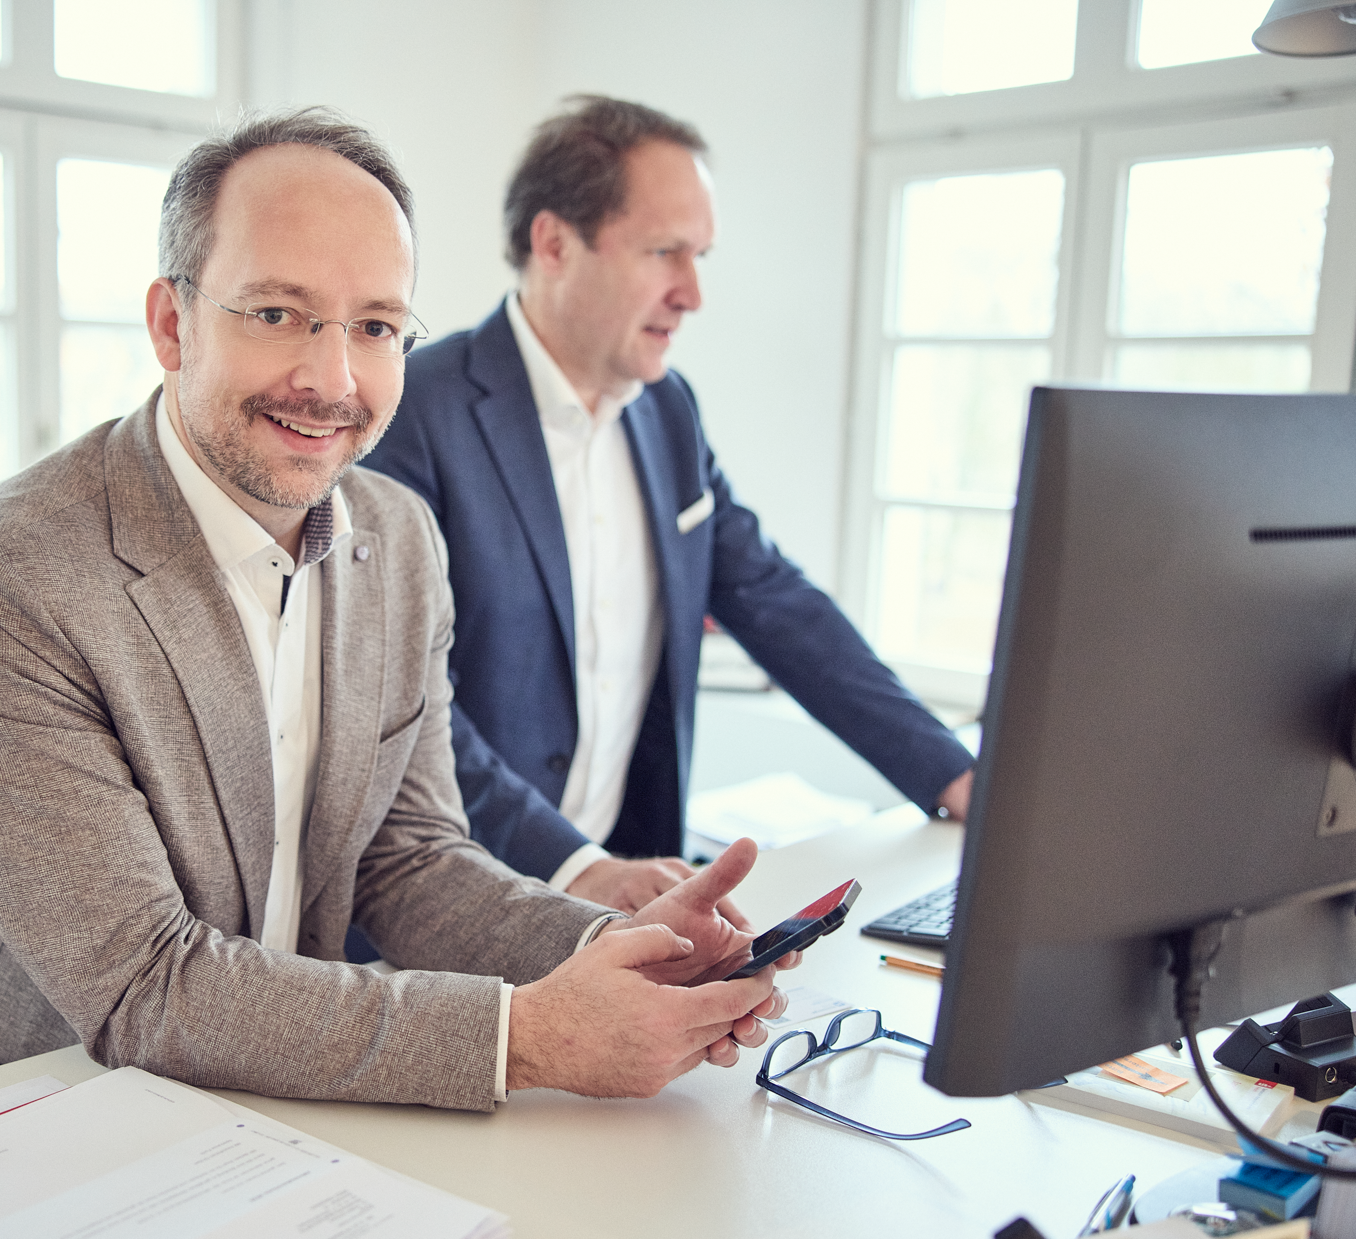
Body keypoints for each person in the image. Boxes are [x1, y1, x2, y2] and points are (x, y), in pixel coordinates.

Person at [0, 108, 795, 1119]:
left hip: (235, 1116)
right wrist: (528, 1036)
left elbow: (409, 859)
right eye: (277, 313)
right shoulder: (1, 580)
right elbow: (145, 983)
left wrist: (615, 950)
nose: (332, 380)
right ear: (172, 324)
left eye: (375, 326)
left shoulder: (398, 539)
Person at [364, 96, 975, 914]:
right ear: (554, 243)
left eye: (701, 256)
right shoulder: (415, 410)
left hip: (621, 899)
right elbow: (404, 703)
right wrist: (574, 865)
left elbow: (774, 600)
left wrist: (953, 771)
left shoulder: (668, 409)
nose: (692, 293)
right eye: (665, 252)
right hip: (451, 912)